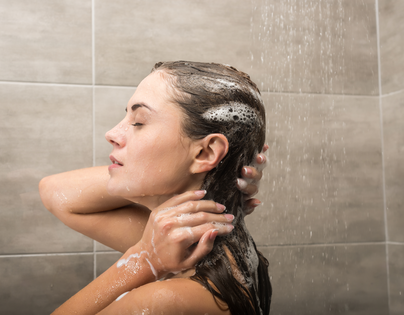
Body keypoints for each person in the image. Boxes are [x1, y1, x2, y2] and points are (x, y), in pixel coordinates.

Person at [39, 61, 271, 315]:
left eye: (138, 121)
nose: (112, 133)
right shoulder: (192, 245)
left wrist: (142, 261)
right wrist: (225, 179)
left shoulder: (165, 301)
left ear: (205, 152)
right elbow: (55, 192)